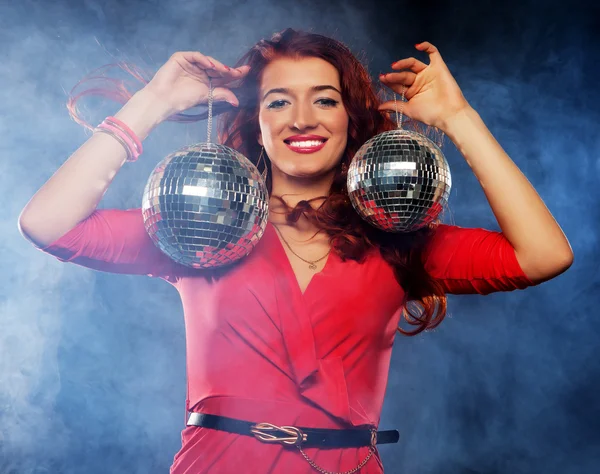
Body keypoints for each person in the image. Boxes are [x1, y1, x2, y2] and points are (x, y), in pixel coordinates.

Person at [18, 28, 573, 474]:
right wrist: (152, 104)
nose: (302, 119)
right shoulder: (199, 229)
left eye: (324, 100)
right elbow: (48, 225)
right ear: (257, 126)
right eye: (278, 101)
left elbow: (544, 255)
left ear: (350, 120)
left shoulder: (395, 238)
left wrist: (460, 120)